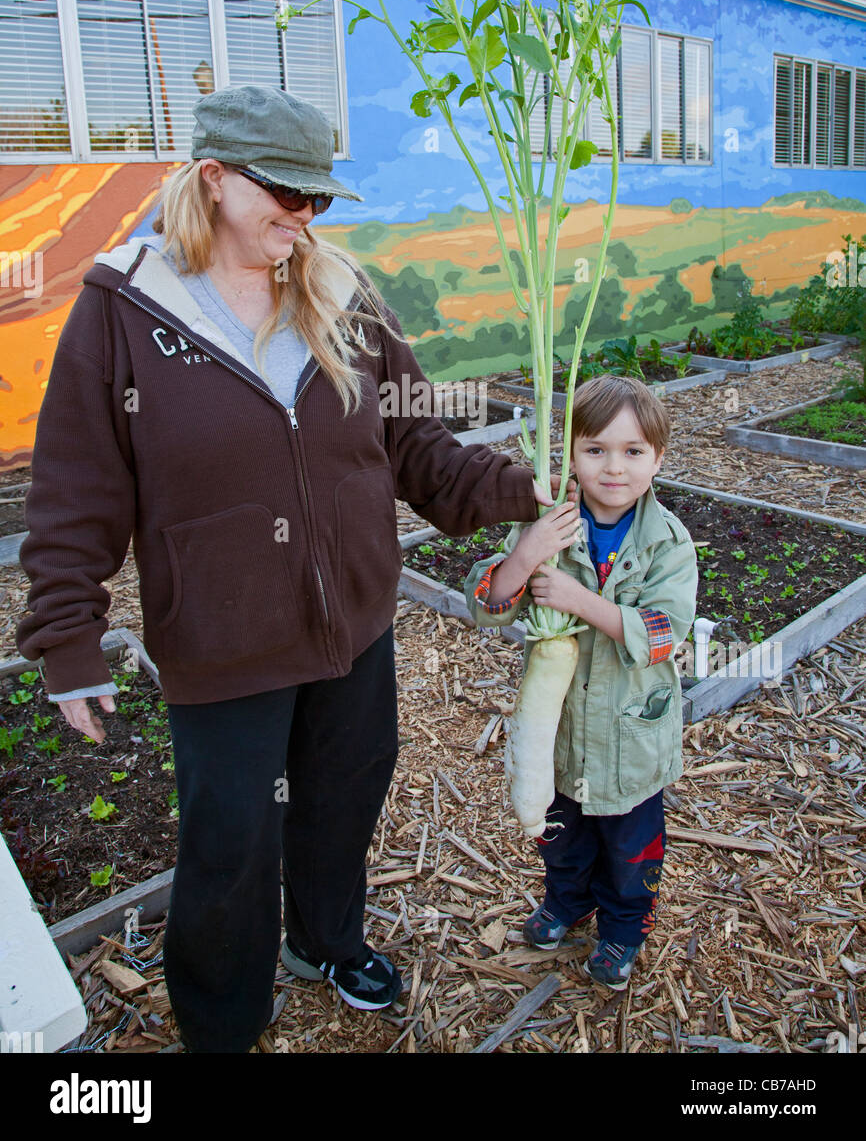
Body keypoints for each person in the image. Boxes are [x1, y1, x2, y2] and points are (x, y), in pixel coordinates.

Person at [15, 84, 558, 1053]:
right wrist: (66, 637)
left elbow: (418, 451)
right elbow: (77, 486)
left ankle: (326, 941)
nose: (304, 217)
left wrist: (531, 486)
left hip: (352, 624)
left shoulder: (343, 297)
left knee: (342, 798)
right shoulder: (125, 305)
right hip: (222, 639)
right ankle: (222, 1017)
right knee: (228, 841)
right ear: (214, 178)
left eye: (320, 200)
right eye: (287, 194)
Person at [464, 374, 698, 990]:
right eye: (594, 450)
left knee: (631, 851)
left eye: (632, 452)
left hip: (631, 742)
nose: (612, 468)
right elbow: (489, 605)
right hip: (561, 734)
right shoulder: (550, 527)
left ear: (658, 460)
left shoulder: (668, 544)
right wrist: (523, 555)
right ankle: (567, 903)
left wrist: (575, 598)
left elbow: (667, 634)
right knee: (560, 836)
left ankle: (623, 929)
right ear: (570, 456)